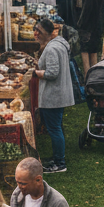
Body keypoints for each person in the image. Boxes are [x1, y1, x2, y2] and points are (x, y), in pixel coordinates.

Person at [34, 18, 74, 174]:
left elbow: (52, 73)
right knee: (56, 127)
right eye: (35, 30)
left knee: (54, 129)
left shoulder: (51, 49)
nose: (36, 33)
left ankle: (60, 163)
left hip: (54, 95)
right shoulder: (60, 43)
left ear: (47, 33)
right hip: (60, 92)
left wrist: (36, 73)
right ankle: (57, 157)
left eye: (39, 31)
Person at [77, 0, 104, 75]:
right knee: (94, 52)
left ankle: (88, 76)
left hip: (88, 29)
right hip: (97, 27)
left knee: (85, 53)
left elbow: (86, 13)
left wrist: (79, 25)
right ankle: (95, 76)